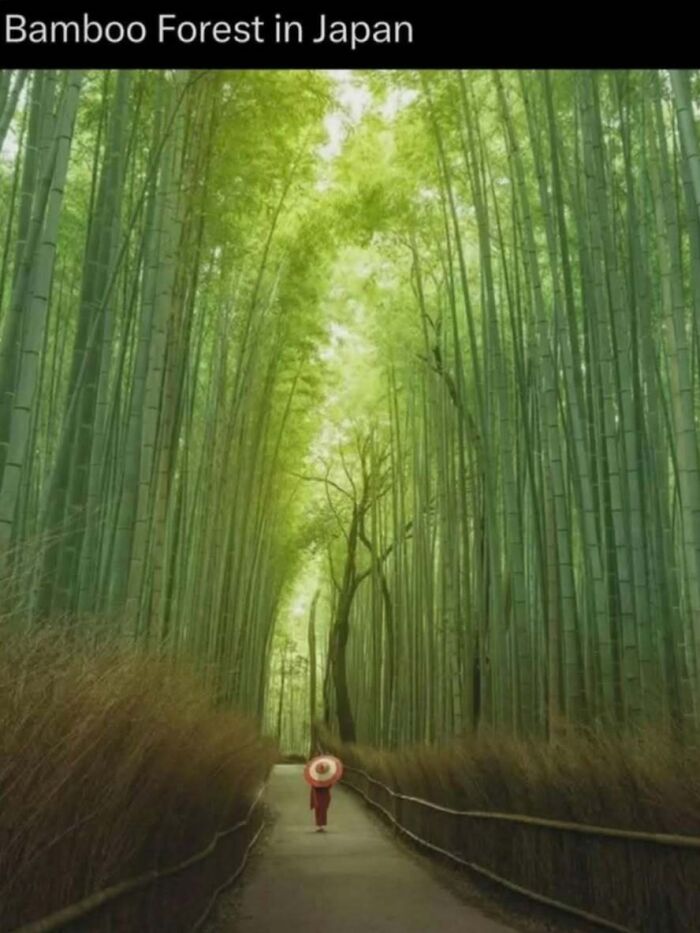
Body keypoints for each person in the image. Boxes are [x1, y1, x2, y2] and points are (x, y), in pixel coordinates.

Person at [309, 762, 332, 831]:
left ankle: (320, 825)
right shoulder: (319, 777)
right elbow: (329, 786)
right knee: (320, 809)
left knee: (321, 810)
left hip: (322, 794)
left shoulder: (324, 778)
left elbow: (328, 786)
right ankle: (320, 825)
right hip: (321, 794)